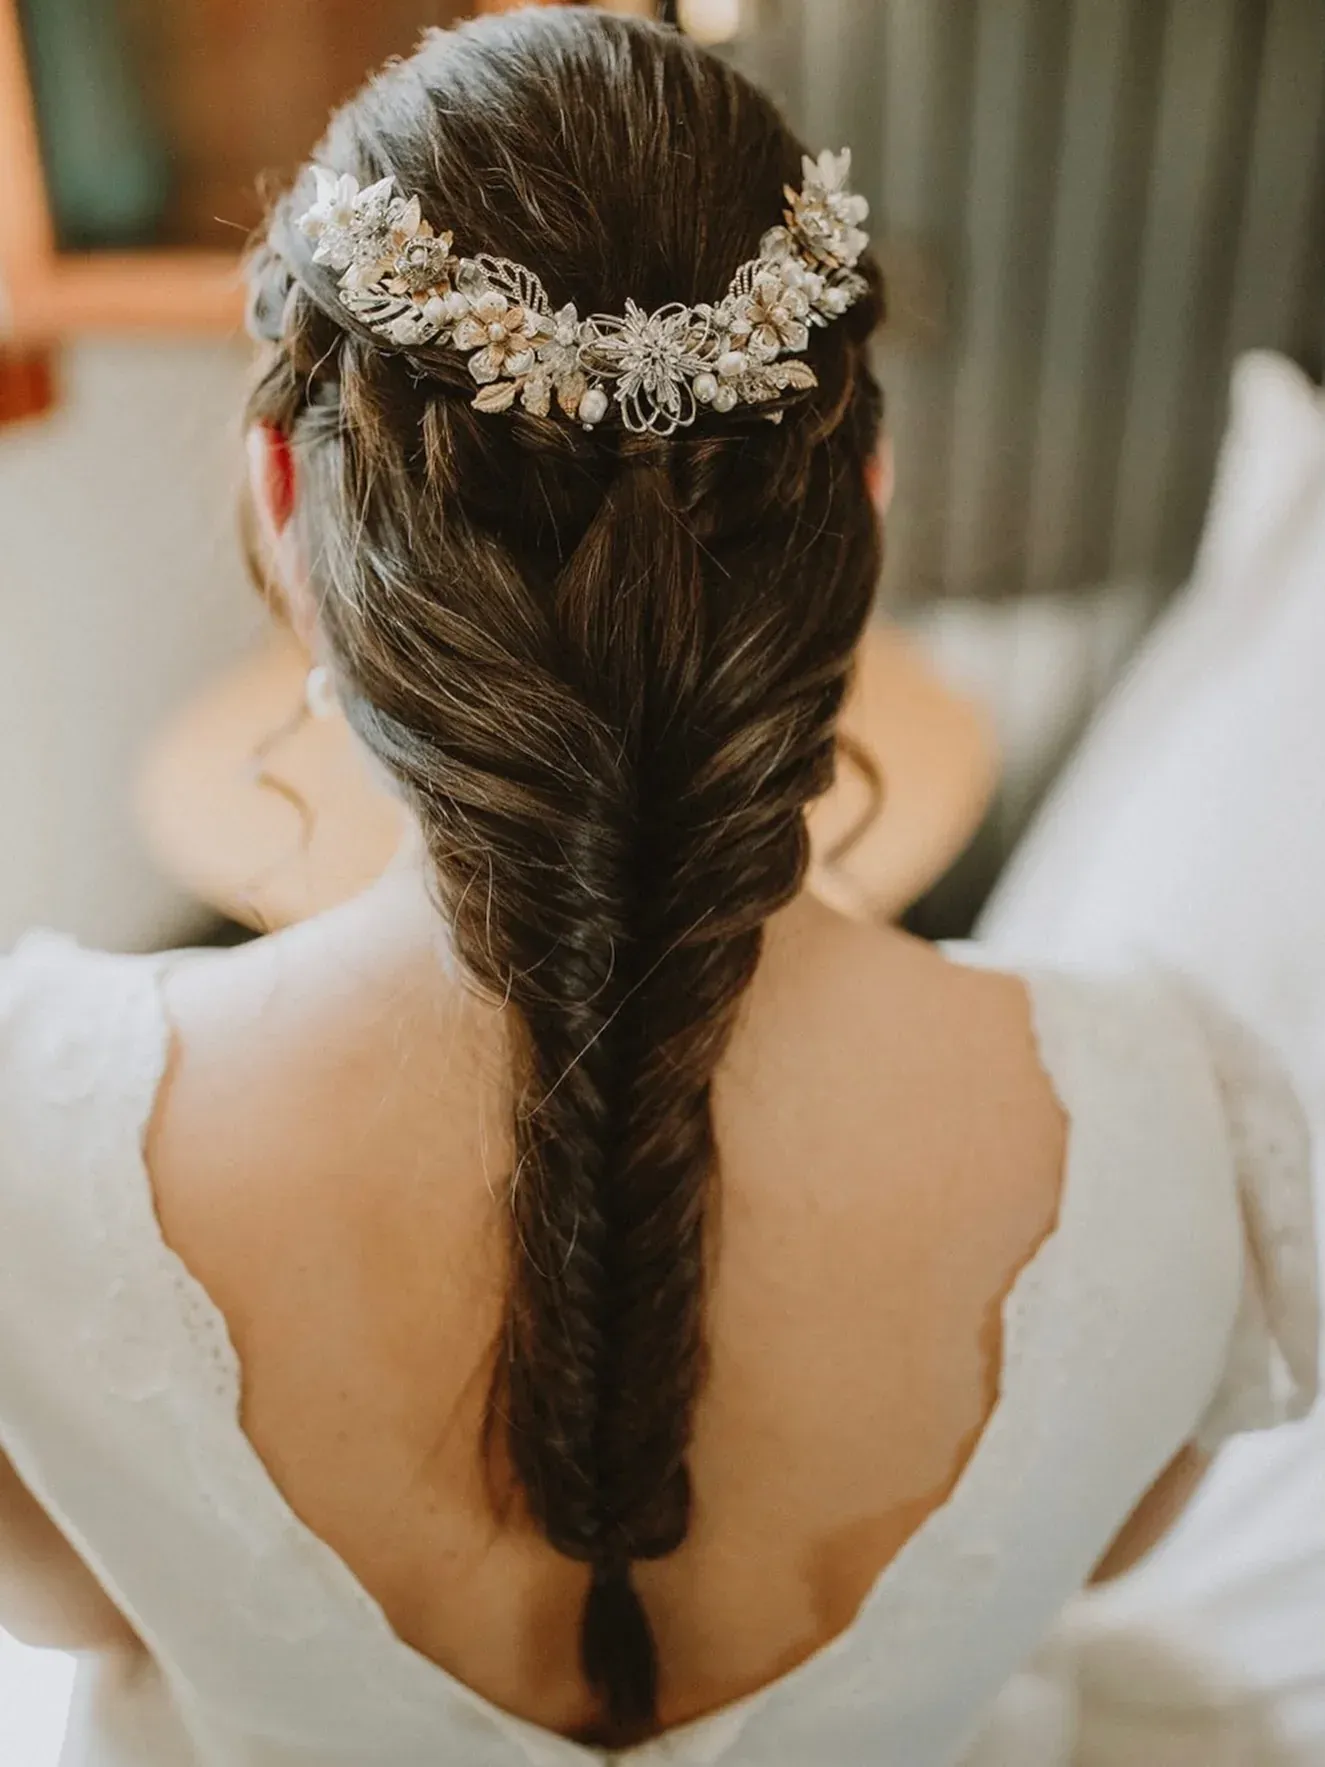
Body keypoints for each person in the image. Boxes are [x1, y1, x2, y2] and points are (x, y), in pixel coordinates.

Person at [0, 12, 1315, 1765]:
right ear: (863, 495)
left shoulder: (28, 1144)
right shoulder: (1179, 1134)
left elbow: (79, 1598)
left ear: (284, 498)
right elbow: (1099, 1547)